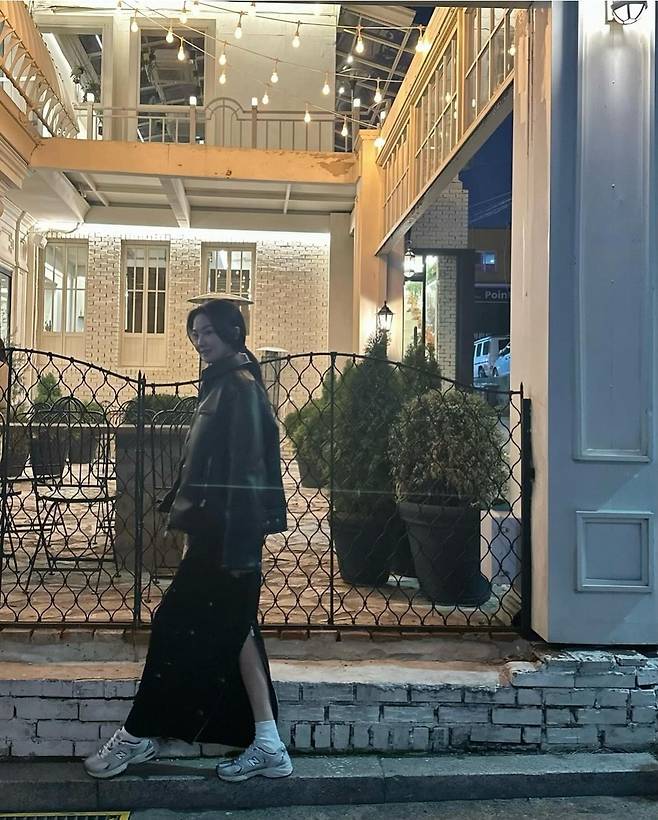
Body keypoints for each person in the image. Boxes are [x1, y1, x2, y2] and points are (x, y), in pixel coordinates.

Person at [84, 299, 291, 782]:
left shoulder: (239, 388)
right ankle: (268, 744)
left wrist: (236, 553)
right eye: (195, 333)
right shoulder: (224, 384)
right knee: (238, 630)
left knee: (173, 626)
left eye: (209, 332)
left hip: (227, 541)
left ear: (233, 332)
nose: (200, 341)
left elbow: (248, 475)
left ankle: (137, 735)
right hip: (216, 535)